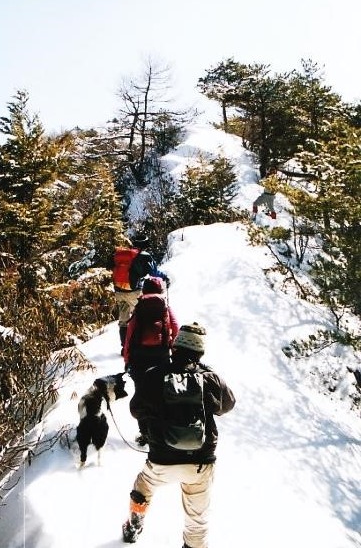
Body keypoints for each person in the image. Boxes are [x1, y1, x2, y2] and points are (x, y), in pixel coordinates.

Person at [121, 322, 236, 547]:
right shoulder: (209, 377)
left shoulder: (154, 374)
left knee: (143, 487)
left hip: (162, 457)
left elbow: (136, 409)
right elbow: (228, 405)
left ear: (175, 346)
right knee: (197, 517)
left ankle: (134, 525)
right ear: (200, 351)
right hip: (200, 462)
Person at [123, 276, 179, 445]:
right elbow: (175, 327)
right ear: (161, 290)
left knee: (142, 394)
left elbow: (129, 335)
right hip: (161, 355)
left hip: (139, 358)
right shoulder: (165, 307)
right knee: (162, 393)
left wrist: (127, 359)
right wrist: (172, 348)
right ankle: (161, 431)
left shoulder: (139, 307)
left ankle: (145, 433)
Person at [112, 233, 170, 351]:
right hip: (133, 291)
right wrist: (164, 277)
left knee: (123, 320)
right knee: (138, 318)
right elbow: (154, 272)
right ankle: (136, 345)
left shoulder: (125, 255)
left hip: (119, 290)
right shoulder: (144, 256)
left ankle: (124, 347)